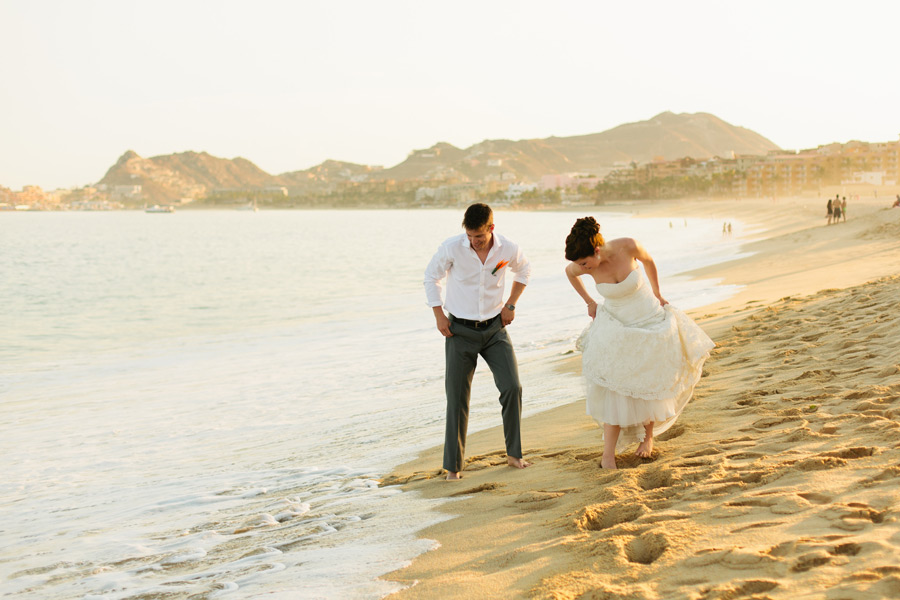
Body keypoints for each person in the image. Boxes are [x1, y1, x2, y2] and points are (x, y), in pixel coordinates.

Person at [564, 217, 714, 469]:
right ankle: (608, 455)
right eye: (580, 265)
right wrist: (589, 302)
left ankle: (648, 438)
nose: (583, 268)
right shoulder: (582, 266)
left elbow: (649, 261)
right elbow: (569, 273)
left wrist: (657, 292)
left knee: (649, 379)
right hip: (617, 325)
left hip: (648, 317)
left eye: (585, 263)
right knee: (615, 386)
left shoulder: (628, 246)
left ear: (597, 250)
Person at [424, 203, 532, 480]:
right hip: (459, 331)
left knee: (512, 387)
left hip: (495, 330)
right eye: (470, 236)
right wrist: (439, 315)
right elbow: (431, 277)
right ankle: (453, 467)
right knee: (457, 398)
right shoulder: (452, 247)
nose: (474, 242)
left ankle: (514, 454)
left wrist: (511, 304)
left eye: (479, 237)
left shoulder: (507, 248)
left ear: (491, 228)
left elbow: (524, 271)